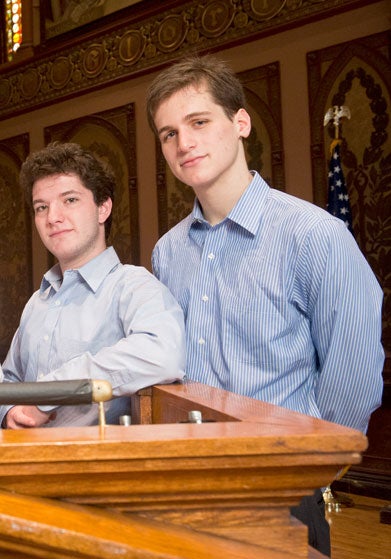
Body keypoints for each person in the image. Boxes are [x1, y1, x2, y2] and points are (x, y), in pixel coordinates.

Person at [146, 55, 385, 556]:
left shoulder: (314, 236)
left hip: (283, 490)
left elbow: (353, 376)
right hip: (190, 481)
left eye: (199, 122)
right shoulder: (167, 253)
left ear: (241, 123)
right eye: (168, 134)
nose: (184, 143)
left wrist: (305, 467)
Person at [0, 142, 185, 429]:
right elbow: (10, 379)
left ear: (103, 208)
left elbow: (163, 355)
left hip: (96, 467)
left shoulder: (133, 286)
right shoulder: (38, 301)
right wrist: (10, 410)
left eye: (70, 200)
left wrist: (51, 392)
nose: (53, 217)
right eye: (41, 207)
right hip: (26, 467)